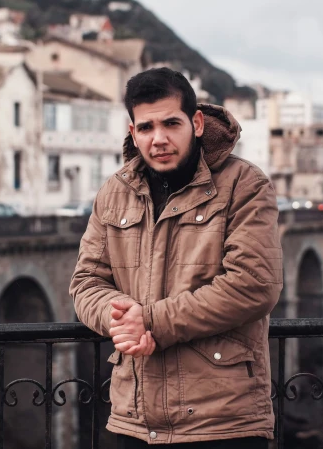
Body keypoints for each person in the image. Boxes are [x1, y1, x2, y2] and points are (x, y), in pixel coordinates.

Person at [70, 67, 284, 447]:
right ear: (133, 132)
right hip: (133, 419)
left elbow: (254, 285)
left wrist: (150, 321)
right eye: (147, 128)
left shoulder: (244, 184)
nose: (160, 138)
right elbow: (86, 282)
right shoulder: (113, 193)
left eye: (171, 123)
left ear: (197, 122)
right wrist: (117, 315)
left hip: (222, 422)